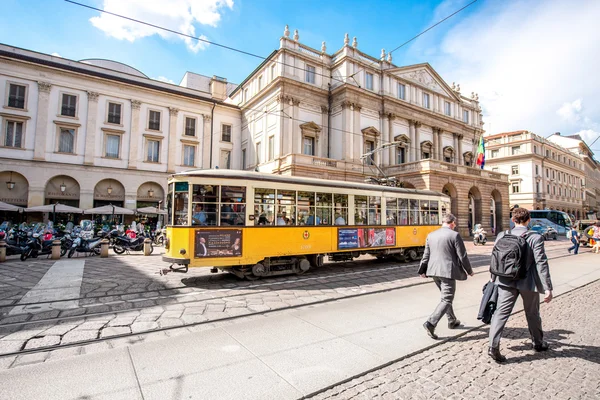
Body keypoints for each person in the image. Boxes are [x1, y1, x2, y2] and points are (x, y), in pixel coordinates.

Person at [488, 207, 553, 363]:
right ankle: (538, 343)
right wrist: (547, 287)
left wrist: (493, 277)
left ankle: (492, 346)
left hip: (504, 280)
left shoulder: (502, 235)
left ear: (513, 220)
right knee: (532, 313)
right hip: (528, 282)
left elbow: (495, 257)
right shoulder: (535, 237)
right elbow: (541, 263)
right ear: (528, 220)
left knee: (500, 313)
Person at [418, 213, 474, 339]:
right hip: (447, 272)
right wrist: (469, 271)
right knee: (447, 299)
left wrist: (422, 270)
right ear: (452, 223)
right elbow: (462, 256)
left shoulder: (431, 235)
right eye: (455, 224)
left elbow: (426, 255)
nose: (455, 226)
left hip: (433, 271)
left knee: (445, 297)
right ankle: (431, 323)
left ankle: (452, 320)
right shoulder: (454, 235)